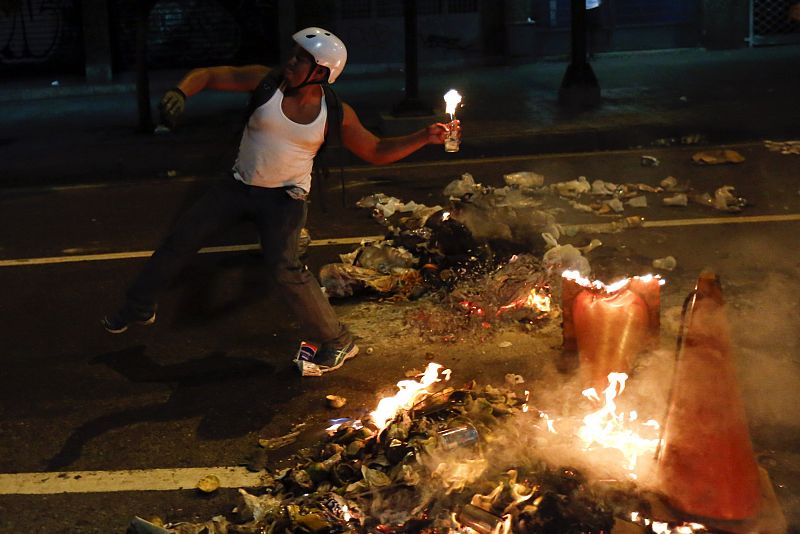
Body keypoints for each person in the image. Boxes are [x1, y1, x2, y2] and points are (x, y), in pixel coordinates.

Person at [102, 27, 458, 377]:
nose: (291, 62)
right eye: (293, 54)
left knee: (285, 269)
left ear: (321, 72)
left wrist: (423, 136)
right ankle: (138, 305)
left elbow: (376, 150)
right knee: (180, 240)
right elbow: (211, 75)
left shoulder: (334, 112)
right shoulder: (267, 83)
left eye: (301, 60)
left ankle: (338, 340)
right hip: (237, 186)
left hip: (285, 200)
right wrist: (181, 91)